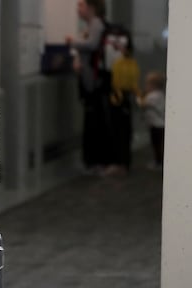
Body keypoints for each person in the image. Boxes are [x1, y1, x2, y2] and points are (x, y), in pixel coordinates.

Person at [66, 0, 108, 174]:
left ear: (91, 7)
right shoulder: (89, 26)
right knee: (91, 119)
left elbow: (91, 44)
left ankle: (94, 161)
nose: (78, 9)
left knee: (94, 120)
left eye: (81, 5)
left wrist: (72, 42)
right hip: (88, 79)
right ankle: (91, 160)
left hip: (93, 81)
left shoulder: (96, 24)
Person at [102, 31, 140, 177]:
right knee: (118, 128)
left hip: (122, 97)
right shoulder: (124, 63)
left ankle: (122, 163)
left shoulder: (126, 64)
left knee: (121, 130)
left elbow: (128, 82)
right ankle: (121, 162)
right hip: (120, 96)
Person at [137, 71, 165, 170]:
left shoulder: (153, 96)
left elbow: (142, 104)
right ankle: (159, 162)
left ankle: (159, 163)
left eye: (147, 84)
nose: (146, 86)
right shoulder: (160, 94)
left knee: (156, 145)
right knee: (159, 145)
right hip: (159, 125)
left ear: (153, 85)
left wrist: (138, 95)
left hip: (156, 126)